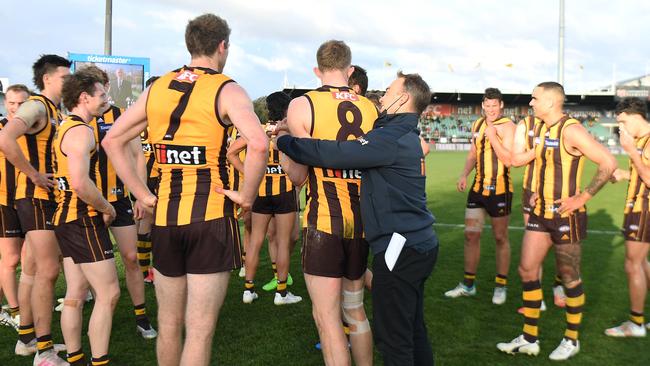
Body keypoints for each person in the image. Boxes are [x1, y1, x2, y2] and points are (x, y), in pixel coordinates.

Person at [102, 14, 268, 366]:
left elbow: (112, 139)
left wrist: (142, 195)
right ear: (222, 46)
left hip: (165, 217)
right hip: (210, 218)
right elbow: (258, 144)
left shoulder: (157, 87)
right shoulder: (227, 88)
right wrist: (248, 196)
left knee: (169, 323)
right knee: (199, 328)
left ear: (189, 44)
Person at [276, 71, 438, 366]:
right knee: (413, 328)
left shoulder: (391, 137)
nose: (383, 96)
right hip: (418, 243)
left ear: (403, 98)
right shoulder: (405, 133)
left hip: (400, 247)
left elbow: (334, 154)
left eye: (389, 91)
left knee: (394, 338)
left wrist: (285, 140)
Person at [497, 82, 617, 361]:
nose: (531, 102)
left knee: (569, 277)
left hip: (567, 216)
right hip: (541, 212)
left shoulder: (571, 129)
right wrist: (539, 188)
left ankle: (571, 339)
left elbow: (608, 162)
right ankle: (529, 338)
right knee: (527, 269)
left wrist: (582, 197)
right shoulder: (540, 129)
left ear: (550, 102)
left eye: (535, 98)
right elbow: (543, 164)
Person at [278, 40, 376, 366]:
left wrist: (281, 143)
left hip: (324, 223)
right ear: (349, 71)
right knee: (355, 310)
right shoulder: (370, 107)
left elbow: (297, 177)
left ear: (316, 70)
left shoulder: (303, 105)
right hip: (362, 223)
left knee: (327, 318)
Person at [0, 54, 70, 365]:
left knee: (31, 271)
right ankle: (44, 351)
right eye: (65, 77)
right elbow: (6, 137)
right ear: (48, 79)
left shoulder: (55, 109)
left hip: (42, 198)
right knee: (48, 271)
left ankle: (26, 339)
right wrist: (33, 174)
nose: (70, 82)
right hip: (35, 197)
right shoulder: (38, 105)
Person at [53, 66, 121, 366]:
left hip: (65, 218)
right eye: (102, 94)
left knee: (76, 293)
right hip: (82, 218)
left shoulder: (66, 126)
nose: (106, 99)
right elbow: (80, 182)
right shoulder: (81, 130)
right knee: (109, 294)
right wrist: (107, 207)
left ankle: (75, 358)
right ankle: (98, 360)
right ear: (84, 97)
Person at [85, 66, 157, 339]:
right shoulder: (75, 120)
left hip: (118, 199)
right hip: (89, 202)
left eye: (104, 86)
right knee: (91, 267)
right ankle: (99, 316)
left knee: (130, 258)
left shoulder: (119, 116)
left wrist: (139, 193)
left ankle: (142, 316)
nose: (103, 94)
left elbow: (138, 155)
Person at [227, 91, 301, 305]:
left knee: (255, 242)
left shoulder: (257, 130)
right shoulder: (290, 131)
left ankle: (248, 290)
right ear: (286, 110)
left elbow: (231, 154)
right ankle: (282, 293)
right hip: (285, 193)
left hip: (261, 192)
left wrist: (249, 173)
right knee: (283, 242)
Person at [445, 88, 515, 305]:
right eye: (488, 105)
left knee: (500, 238)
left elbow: (510, 158)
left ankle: (501, 285)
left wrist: (493, 137)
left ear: (501, 105)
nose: (491, 109)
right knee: (470, 235)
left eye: (495, 105)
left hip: (500, 191)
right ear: (483, 105)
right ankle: (468, 284)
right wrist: (464, 174)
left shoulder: (509, 127)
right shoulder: (477, 125)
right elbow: (473, 153)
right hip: (478, 190)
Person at [511, 115, 566, 313]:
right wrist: (541, 148)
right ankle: (537, 299)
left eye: (537, 99)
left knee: (560, 247)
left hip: (559, 195)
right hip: (530, 192)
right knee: (533, 249)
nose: (533, 104)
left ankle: (559, 285)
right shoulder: (525, 125)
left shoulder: (566, 126)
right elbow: (516, 159)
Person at [606, 97, 650, 337]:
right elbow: (642, 173)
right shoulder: (641, 139)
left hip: (644, 209)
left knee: (633, 264)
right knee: (641, 263)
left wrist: (631, 150)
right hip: (637, 207)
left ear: (635, 117)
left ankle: (636, 324)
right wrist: (624, 174)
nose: (620, 128)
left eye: (622, 122)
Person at [0, 84, 29, 330]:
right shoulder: (1, 129)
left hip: (29, 200)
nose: (16, 108)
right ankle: (16, 311)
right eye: (12, 103)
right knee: (10, 260)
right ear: (5, 103)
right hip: (5, 201)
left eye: (22, 103)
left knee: (28, 259)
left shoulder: (33, 130)